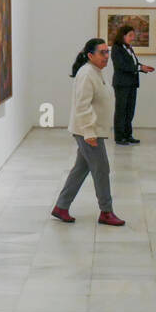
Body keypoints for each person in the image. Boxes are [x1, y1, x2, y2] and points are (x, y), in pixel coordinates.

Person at [51, 39, 125, 226]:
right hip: (88, 131)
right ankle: (106, 212)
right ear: (90, 55)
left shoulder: (97, 72)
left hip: (93, 130)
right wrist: (89, 133)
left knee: (80, 169)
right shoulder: (86, 74)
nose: (106, 56)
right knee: (101, 170)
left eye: (107, 52)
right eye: (102, 52)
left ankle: (61, 207)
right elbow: (82, 106)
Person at [110, 25, 153, 145]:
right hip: (122, 84)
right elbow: (121, 65)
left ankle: (128, 135)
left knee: (130, 110)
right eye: (130, 35)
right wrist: (139, 67)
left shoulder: (128, 48)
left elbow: (133, 63)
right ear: (123, 36)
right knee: (121, 110)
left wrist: (143, 68)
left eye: (133, 35)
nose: (132, 38)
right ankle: (119, 137)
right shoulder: (116, 48)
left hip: (132, 83)